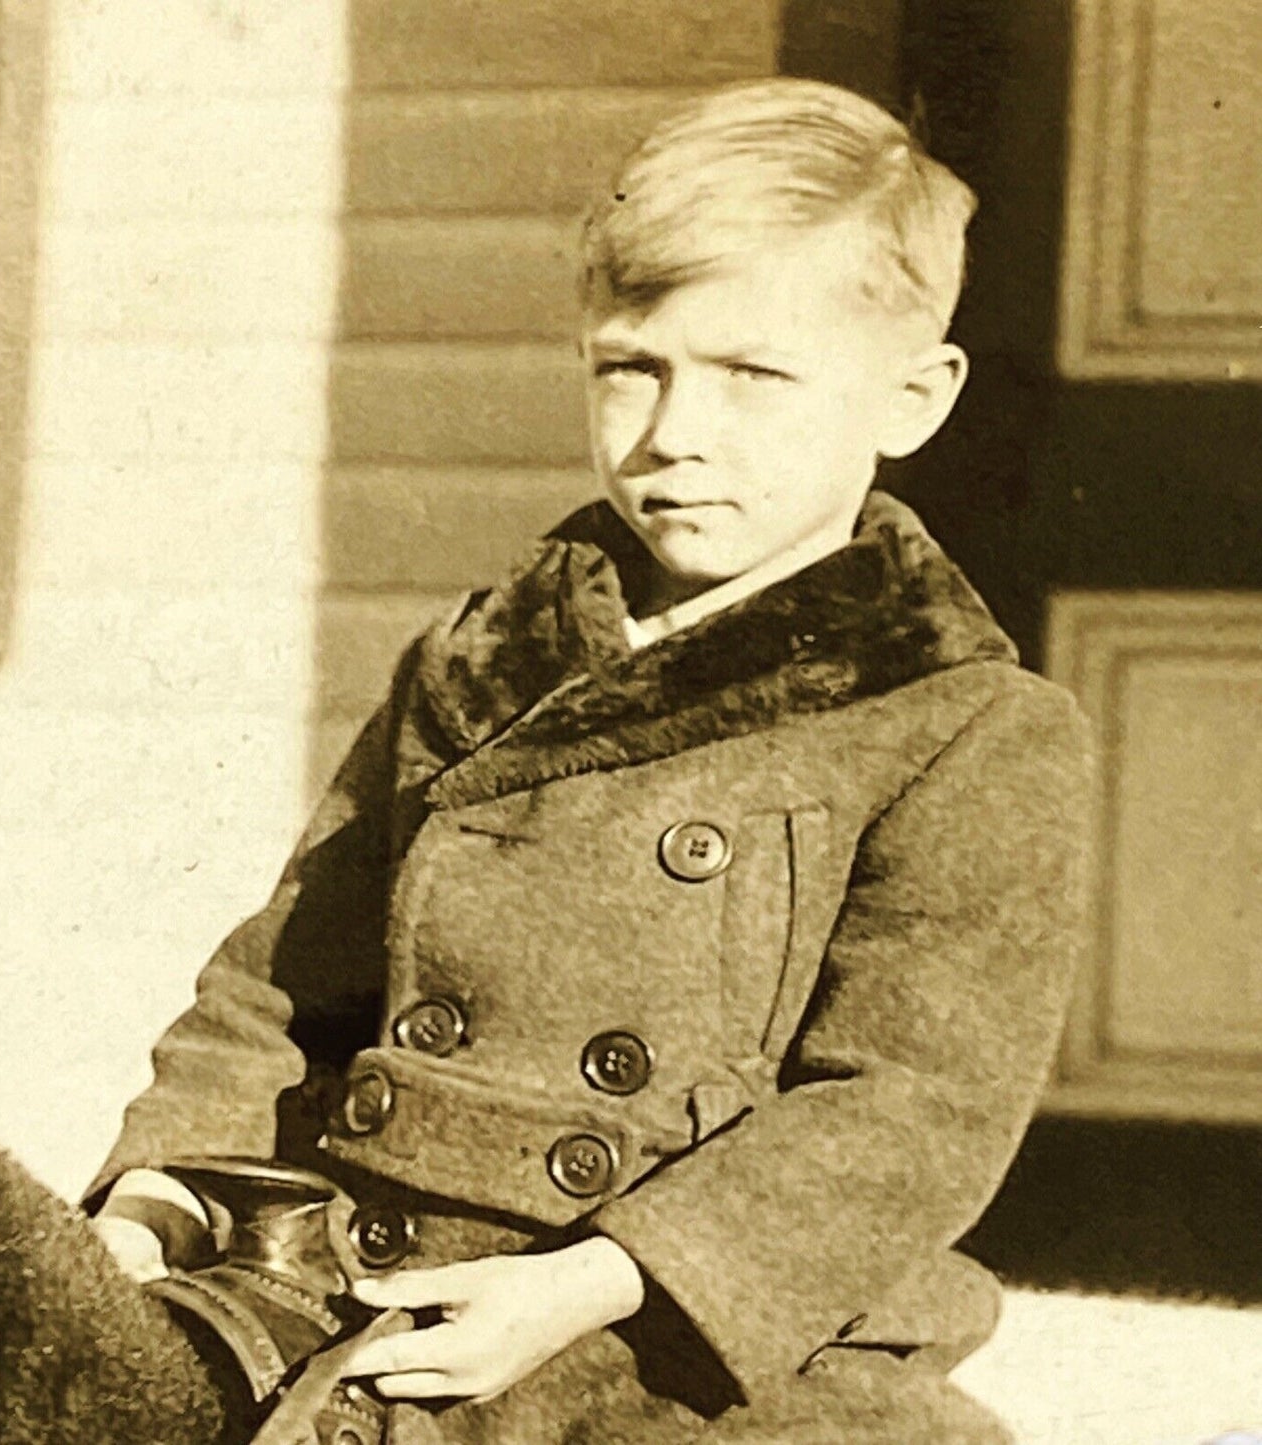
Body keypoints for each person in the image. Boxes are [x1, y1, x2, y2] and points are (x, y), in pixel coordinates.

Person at [86, 77, 1094, 1444]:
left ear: (912, 398)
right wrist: (157, 1196)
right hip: (375, 1282)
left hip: (709, 1339)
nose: (673, 431)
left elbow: (902, 1121)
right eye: (631, 364)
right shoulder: (479, 660)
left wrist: (591, 1282)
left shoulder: (959, 723)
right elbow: (276, 991)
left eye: (754, 374)